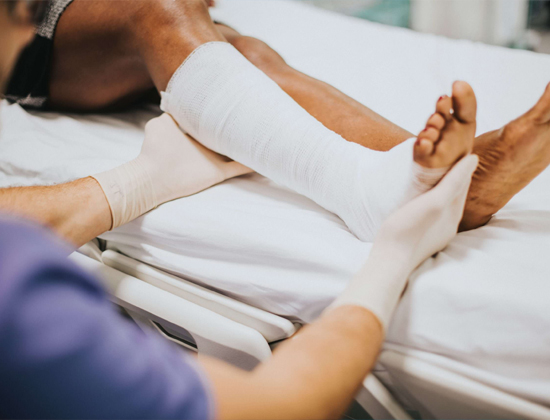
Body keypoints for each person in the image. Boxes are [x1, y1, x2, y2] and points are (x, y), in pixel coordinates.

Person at [0, 1, 480, 418]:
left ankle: (428, 169)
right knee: (159, 10)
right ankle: (379, 188)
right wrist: (393, 257)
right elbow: (282, 406)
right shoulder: (22, 302)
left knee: (242, 58)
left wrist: (134, 185)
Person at [6, 0, 550, 234]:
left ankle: (443, 175)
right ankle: (364, 192)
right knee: (156, 9)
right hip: (28, 35)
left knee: (252, 60)